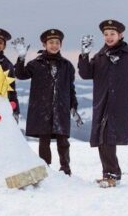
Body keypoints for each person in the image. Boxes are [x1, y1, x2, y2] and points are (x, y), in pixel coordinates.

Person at [77, 19, 128, 188]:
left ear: (120, 35)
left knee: (109, 138)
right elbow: (86, 74)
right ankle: (110, 173)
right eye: (106, 34)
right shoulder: (100, 56)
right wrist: (84, 55)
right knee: (102, 139)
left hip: (119, 103)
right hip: (101, 102)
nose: (109, 37)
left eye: (112, 34)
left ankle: (112, 174)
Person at [13, 29, 81, 176]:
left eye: (57, 43)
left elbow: (71, 88)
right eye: (51, 42)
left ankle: (65, 168)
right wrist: (21, 58)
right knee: (44, 141)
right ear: (44, 44)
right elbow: (20, 74)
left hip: (61, 108)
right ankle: (45, 168)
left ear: (61, 45)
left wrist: (73, 107)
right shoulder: (36, 63)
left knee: (63, 141)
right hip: (41, 109)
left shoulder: (67, 65)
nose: (54, 45)